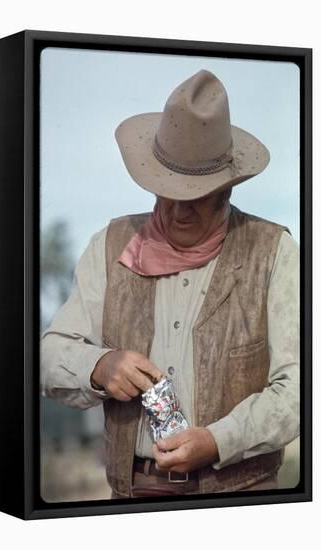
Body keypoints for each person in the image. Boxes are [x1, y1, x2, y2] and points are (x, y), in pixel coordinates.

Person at [41, 69, 299, 498]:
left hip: (242, 499)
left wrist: (220, 440)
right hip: (133, 494)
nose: (178, 211)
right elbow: (46, 356)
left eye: (195, 198)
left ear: (226, 192)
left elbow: (299, 391)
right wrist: (100, 366)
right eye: (167, 193)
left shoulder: (275, 253)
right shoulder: (108, 246)